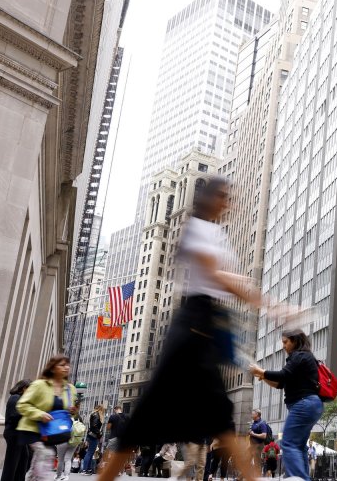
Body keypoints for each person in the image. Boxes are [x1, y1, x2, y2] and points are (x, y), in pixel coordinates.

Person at [98, 177, 265, 481]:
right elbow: (213, 275)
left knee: (216, 413)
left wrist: (245, 288)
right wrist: (264, 301)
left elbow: (219, 275)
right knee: (157, 413)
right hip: (193, 329)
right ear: (209, 198)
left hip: (203, 329)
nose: (229, 202)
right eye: (224, 196)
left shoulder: (214, 232)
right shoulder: (196, 228)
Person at [250, 329, 323, 481]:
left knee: (288, 443)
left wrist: (260, 370)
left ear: (295, 341)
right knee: (299, 446)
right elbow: (281, 384)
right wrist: (263, 376)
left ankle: (298, 478)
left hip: (304, 404)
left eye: (285, 342)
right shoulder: (303, 358)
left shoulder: (299, 356)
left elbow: (282, 375)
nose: (283, 346)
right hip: (310, 405)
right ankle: (298, 477)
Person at [16, 355, 78, 481]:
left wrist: (72, 411)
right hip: (33, 429)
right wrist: (40, 414)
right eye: (62, 365)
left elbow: (69, 413)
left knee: (37, 464)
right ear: (53, 368)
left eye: (67, 365)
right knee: (46, 455)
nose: (66, 367)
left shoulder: (70, 389)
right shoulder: (39, 385)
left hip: (52, 431)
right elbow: (22, 405)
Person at [0, 379, 31, 481]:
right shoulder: (15, 398)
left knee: (24, 458)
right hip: (14, 433)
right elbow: (14, 416)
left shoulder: (21, 399)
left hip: (20, 434)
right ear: (23, 388)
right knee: (12, 462)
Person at [83, 405, 105, 474]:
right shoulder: (96, 415)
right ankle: (85, 469)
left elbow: (93, 426)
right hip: (94, 436)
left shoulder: (93, 414)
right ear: (101, 409)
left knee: (91, 452)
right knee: (90, 452)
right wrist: (100, 433)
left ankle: (88, 469)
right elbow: (94, 426)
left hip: (91, 435)